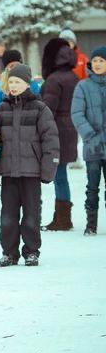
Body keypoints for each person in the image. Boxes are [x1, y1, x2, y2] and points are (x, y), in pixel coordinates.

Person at [0, 64, 59, 267]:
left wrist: (48, 169)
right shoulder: (1, 110)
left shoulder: (40, 109)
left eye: (17, 82)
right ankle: (9, 253)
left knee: (31, 215)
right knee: (8, 216)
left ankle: (31, 251)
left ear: (27, 84)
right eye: (11, 82)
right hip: (9, 173)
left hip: (31, 173)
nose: (13, 85)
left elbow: (51, 140)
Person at [40, 38, 81, 231]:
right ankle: (63, 216)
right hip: (69, 127)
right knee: (61, 172)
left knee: (60, 174)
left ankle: (63, 218)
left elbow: (48, 109)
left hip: (57, 129)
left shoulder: (54, 79)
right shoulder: (73, 76)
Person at [71, 46, 106, 235]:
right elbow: (77, 114)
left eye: (102, 60)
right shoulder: (83, 86)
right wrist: (90, 135)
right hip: (92, 147)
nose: (98, 64)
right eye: (96, 61)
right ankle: (91, 224)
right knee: (92, 186)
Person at [0, 50, 41, 115]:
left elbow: (39, 105)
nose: (15, 69)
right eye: (11, 66)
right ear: (6, 69)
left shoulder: (32, 83)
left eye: (18, 65)